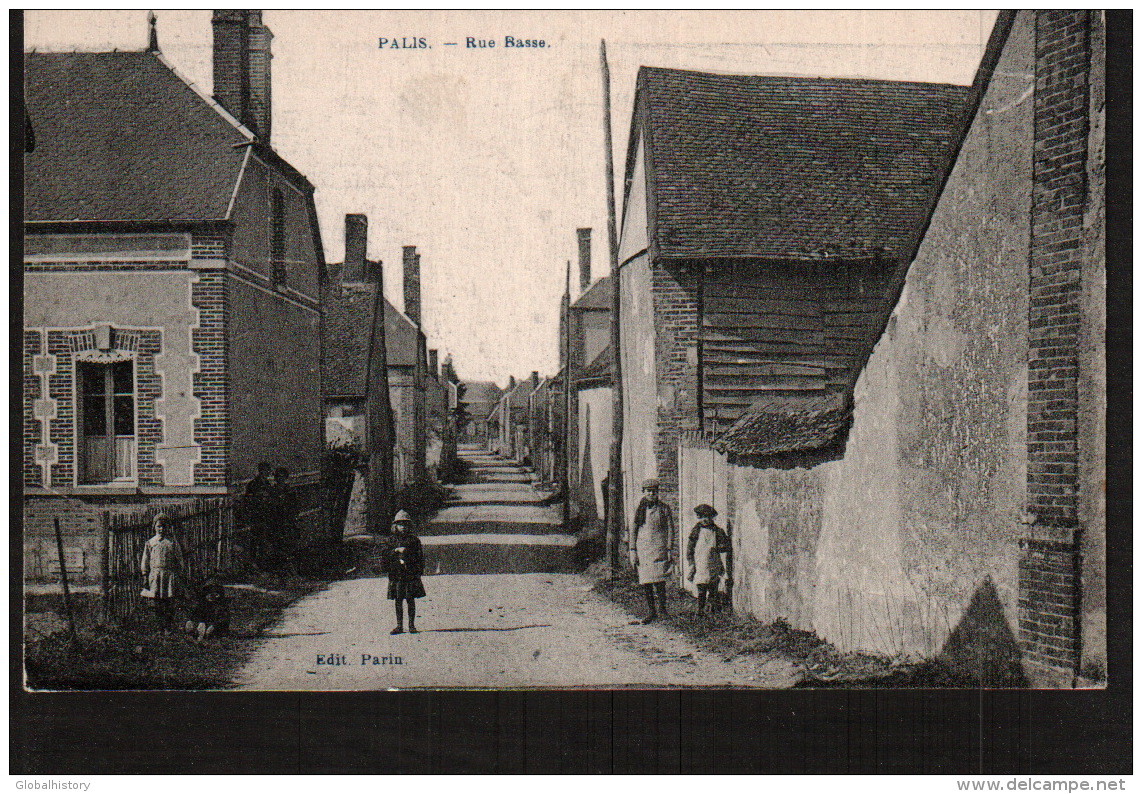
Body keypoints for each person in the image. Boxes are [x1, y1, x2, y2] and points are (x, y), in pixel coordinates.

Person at [630, 478, 675, 624]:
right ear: (643, 492)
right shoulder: (640, 509)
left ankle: (662, 610)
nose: (651, 493)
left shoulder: (664, 508)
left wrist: (669, 548)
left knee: (660, 580)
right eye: (648, 491)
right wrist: (633, 550)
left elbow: (670, 529)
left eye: (654, 491)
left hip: (659, 548)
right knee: (646, 581)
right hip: (643, 549)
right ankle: (651, 611)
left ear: (657, 493)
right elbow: (634, 531)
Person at [384, 510, 425, 635]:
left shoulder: (414, 540)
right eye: (400, 524)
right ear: (395, 526)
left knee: (410, 599)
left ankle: (412, 625)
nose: (403, 527)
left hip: (410, 573)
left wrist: (407, 553)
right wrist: (395, 551)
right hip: (397, 574)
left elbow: (419, 556)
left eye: (406, 524)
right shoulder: (391, 540)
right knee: (398, 599)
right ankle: (399, 625)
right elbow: (385, 555)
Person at [686, 504, 731, 615]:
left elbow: (724, 546)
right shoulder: (696, 531)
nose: (705, 520)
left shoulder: (718, 531)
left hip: (713, 563)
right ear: (699, 517)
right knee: (701, 586)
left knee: (713, 586)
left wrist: (721, 546)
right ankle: (700, 610)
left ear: (712, 518)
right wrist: (691, 562)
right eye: (702, 517)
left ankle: (712, 610)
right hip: (700, 562)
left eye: (708, 517)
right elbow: (690, 548)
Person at [140, 514, 182, 632]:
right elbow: (145, 559)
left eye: (164, 526)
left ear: (168, 527)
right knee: (157, 602)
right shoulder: (151, 542)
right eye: (159, 526)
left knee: (169, 601)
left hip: (169, 575)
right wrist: (145, 574)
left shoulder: (172, 542)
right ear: (154, 527)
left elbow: (179, 559)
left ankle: (168, 626)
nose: (161, 529)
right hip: (155, 575)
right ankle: (159, 626)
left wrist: (178, 573)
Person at [242, 462, 274, 565]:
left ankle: (262, 560)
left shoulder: (268, 484)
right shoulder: (253, 484)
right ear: (260, 471)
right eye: (265, 471)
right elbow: (248, 500)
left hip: (266, 514)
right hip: (256, 515)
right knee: (255, 538)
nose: (267, 473)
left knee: (264, 539)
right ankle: (254, 561)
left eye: (268, 471)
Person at [184, 575, 231, 642]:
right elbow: (195, 615)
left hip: (216, 629)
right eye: (208, 593)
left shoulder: (221, 606)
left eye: (214, 594)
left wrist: (213, 626)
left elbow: (223, 620)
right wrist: (191, 622)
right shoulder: (202, 604)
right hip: (204, 627)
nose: (210, 596)